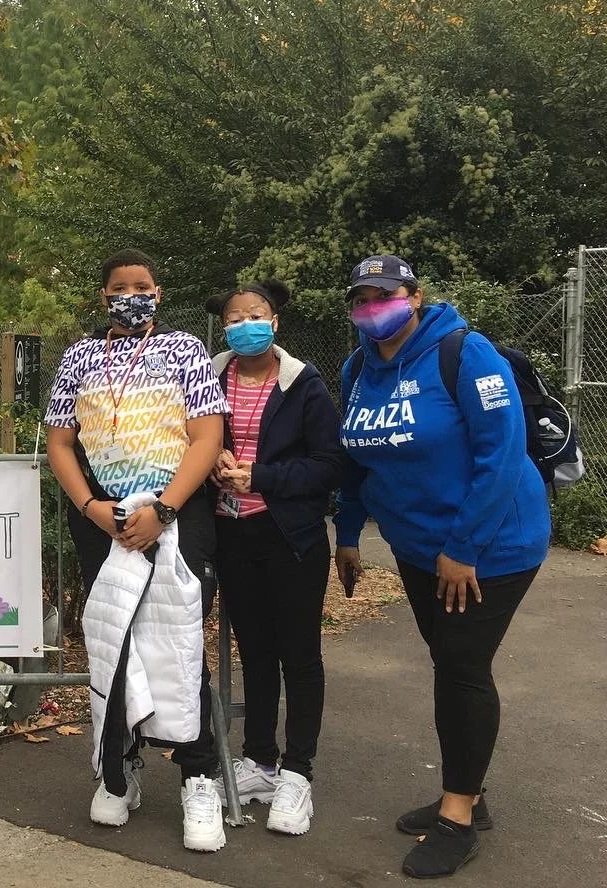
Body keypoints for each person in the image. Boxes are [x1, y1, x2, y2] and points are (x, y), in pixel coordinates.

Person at [334, 255, 550, 879]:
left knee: (461, 666)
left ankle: (459, 816)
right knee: (450, 662)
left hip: (492, 548)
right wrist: (347, 535)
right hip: (418, 548)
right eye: (361, 298)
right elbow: (354, 461)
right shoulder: (357, 368)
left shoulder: (464, 352)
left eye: (384, 294)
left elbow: (502, 454)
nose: (372, 307)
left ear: (415, 296)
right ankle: (468, 789)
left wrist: (464, 549)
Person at [44, 249, 230, 852]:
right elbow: (61, 443)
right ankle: (119, 769)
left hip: (179, 509)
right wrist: (91, 508)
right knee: (114, 639)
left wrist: (165, 509)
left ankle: (199, 774)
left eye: (142, 286)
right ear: (104, 296)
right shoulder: (77, 358)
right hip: (102, 514)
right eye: (120, 287)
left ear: (158, 291)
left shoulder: (185, 351)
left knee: (176, 637)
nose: (131, 294)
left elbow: (207, 437)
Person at [205, 279, 341, 837]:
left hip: (291, 539)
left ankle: (298, 772)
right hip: (233, 536)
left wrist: (259, 476)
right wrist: (210, 457)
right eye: (234, 318)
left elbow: (329, 466)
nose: (244, 325)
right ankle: (259, 760)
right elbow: (187, 437)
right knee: (255, 653)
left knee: (299, 656)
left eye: (255, 315)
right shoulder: (208, 377)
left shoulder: (305, 385)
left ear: (275, 322)